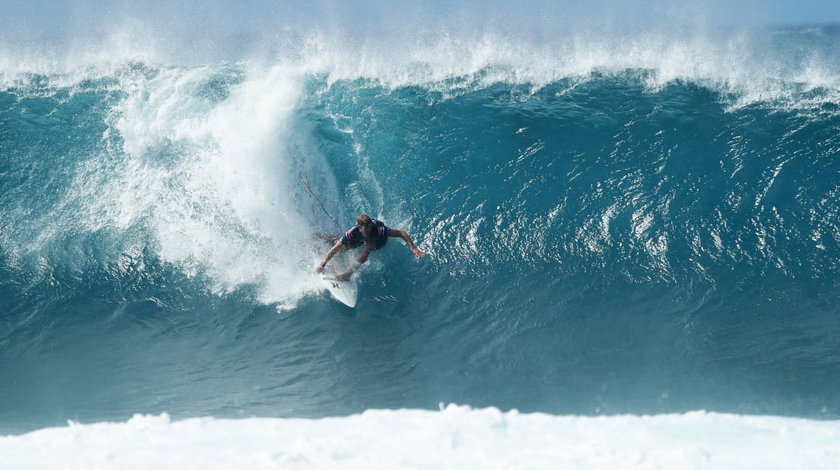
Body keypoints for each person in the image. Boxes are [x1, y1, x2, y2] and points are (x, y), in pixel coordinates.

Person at [315, 214, 425, 281]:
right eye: (366, 229)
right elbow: (335, 249)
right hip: (362, 239)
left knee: (369, 246)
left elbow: (402, 233)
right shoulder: (352, 232)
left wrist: (413, 248)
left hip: (379, 240)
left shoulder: (378, 229)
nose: (369, 230)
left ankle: (348, 274)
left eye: (370, 227)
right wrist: (323, 264)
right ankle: (323, 235)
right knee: (342, 248)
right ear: (359, 227)